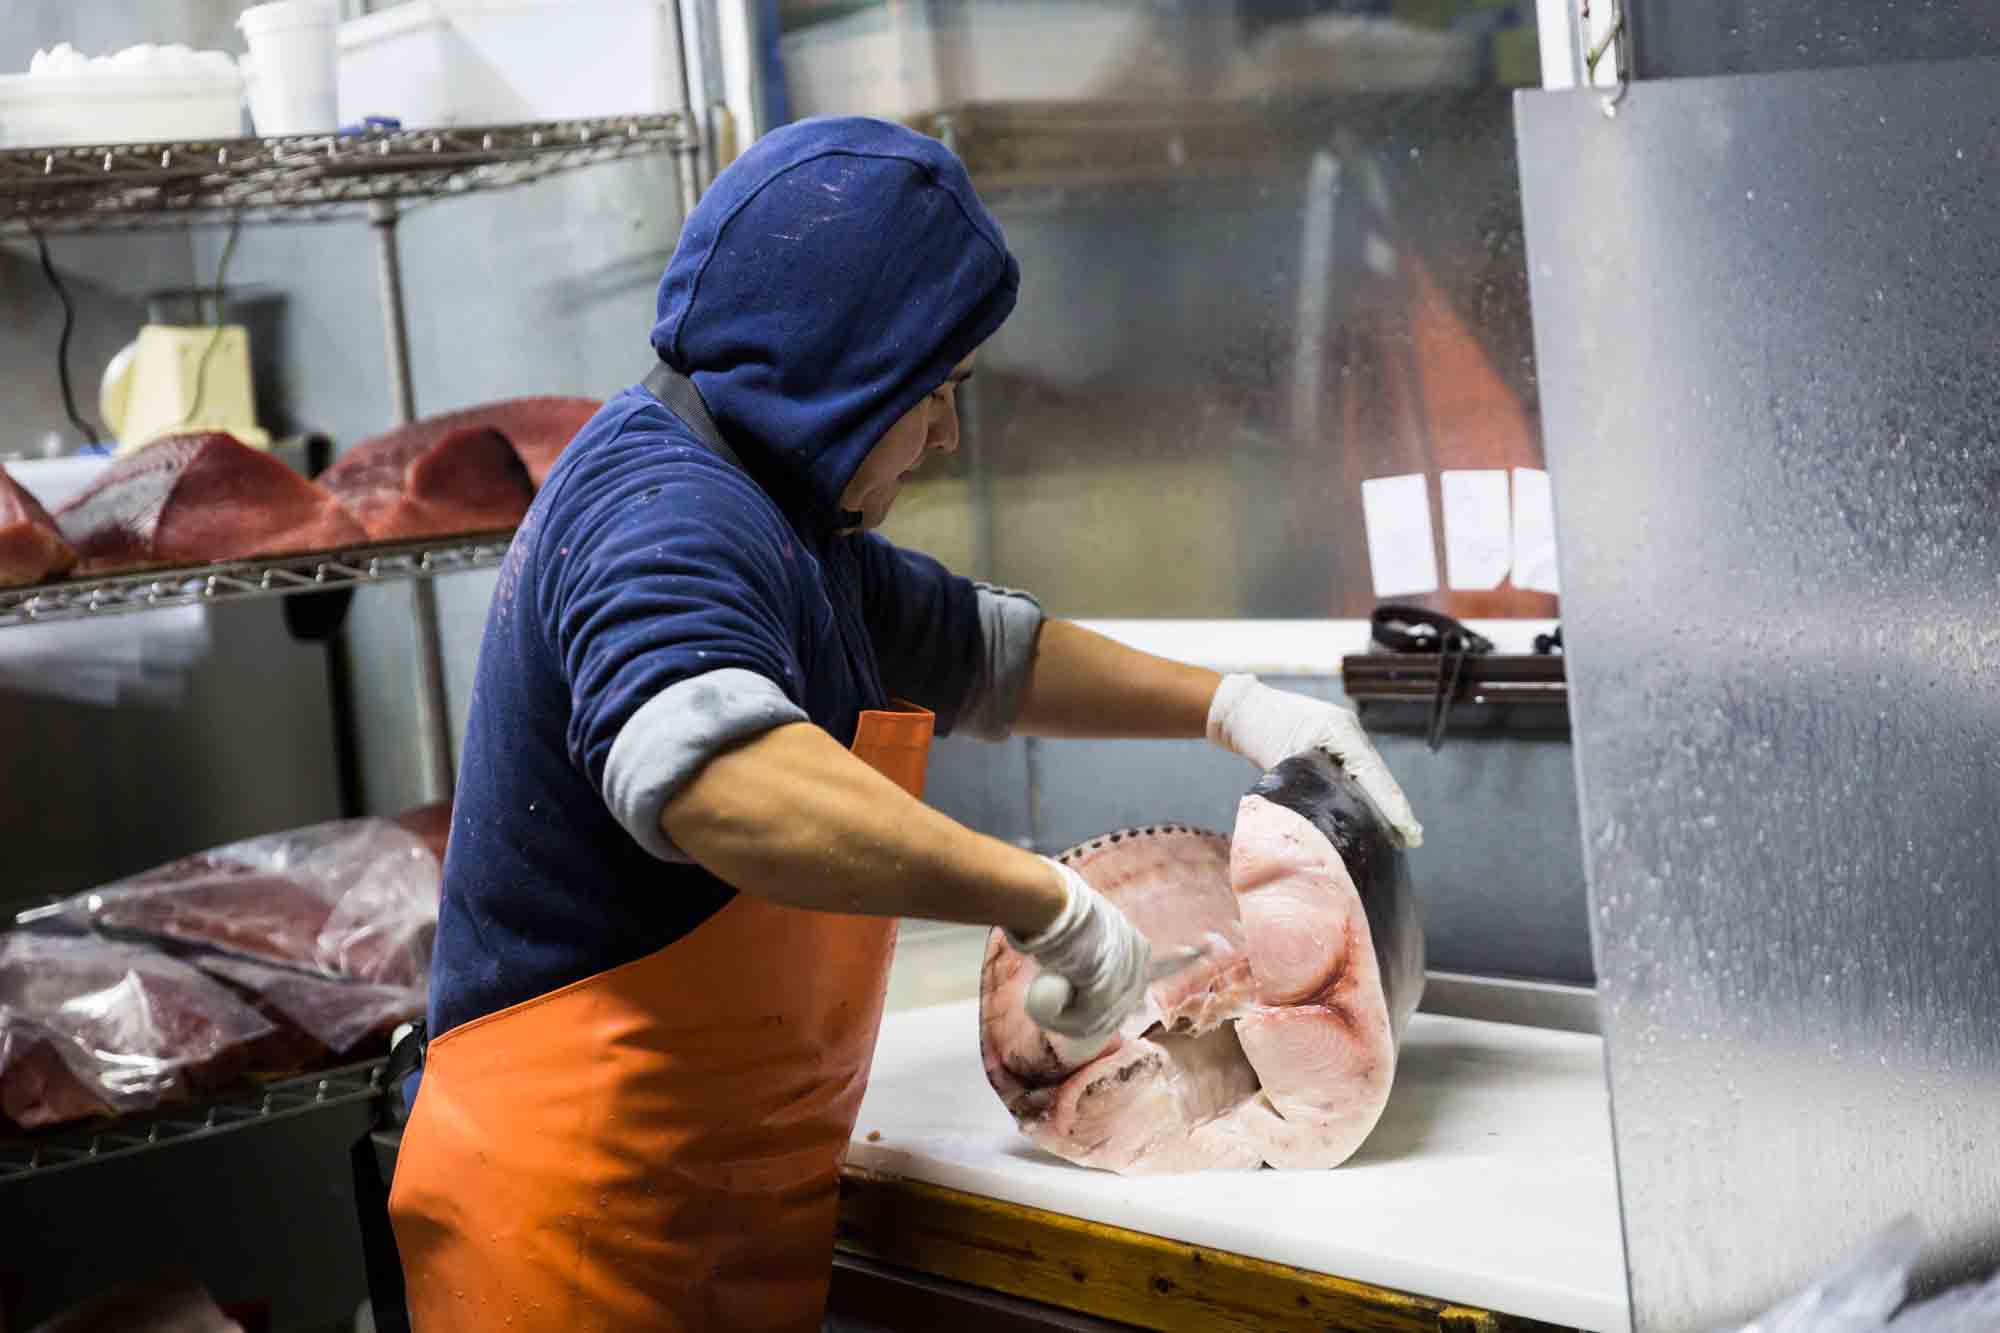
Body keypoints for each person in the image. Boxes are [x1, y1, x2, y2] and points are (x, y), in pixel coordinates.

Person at [387, 116, 1421, 1333]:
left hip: (704, 1206)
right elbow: (718, 784)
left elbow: (992, 654)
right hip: (568, 1240)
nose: (943, 435)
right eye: (934, 391)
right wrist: (1044, 901)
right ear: (839, 367)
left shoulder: (784, 520)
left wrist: (1237, 709)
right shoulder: (660, 514)